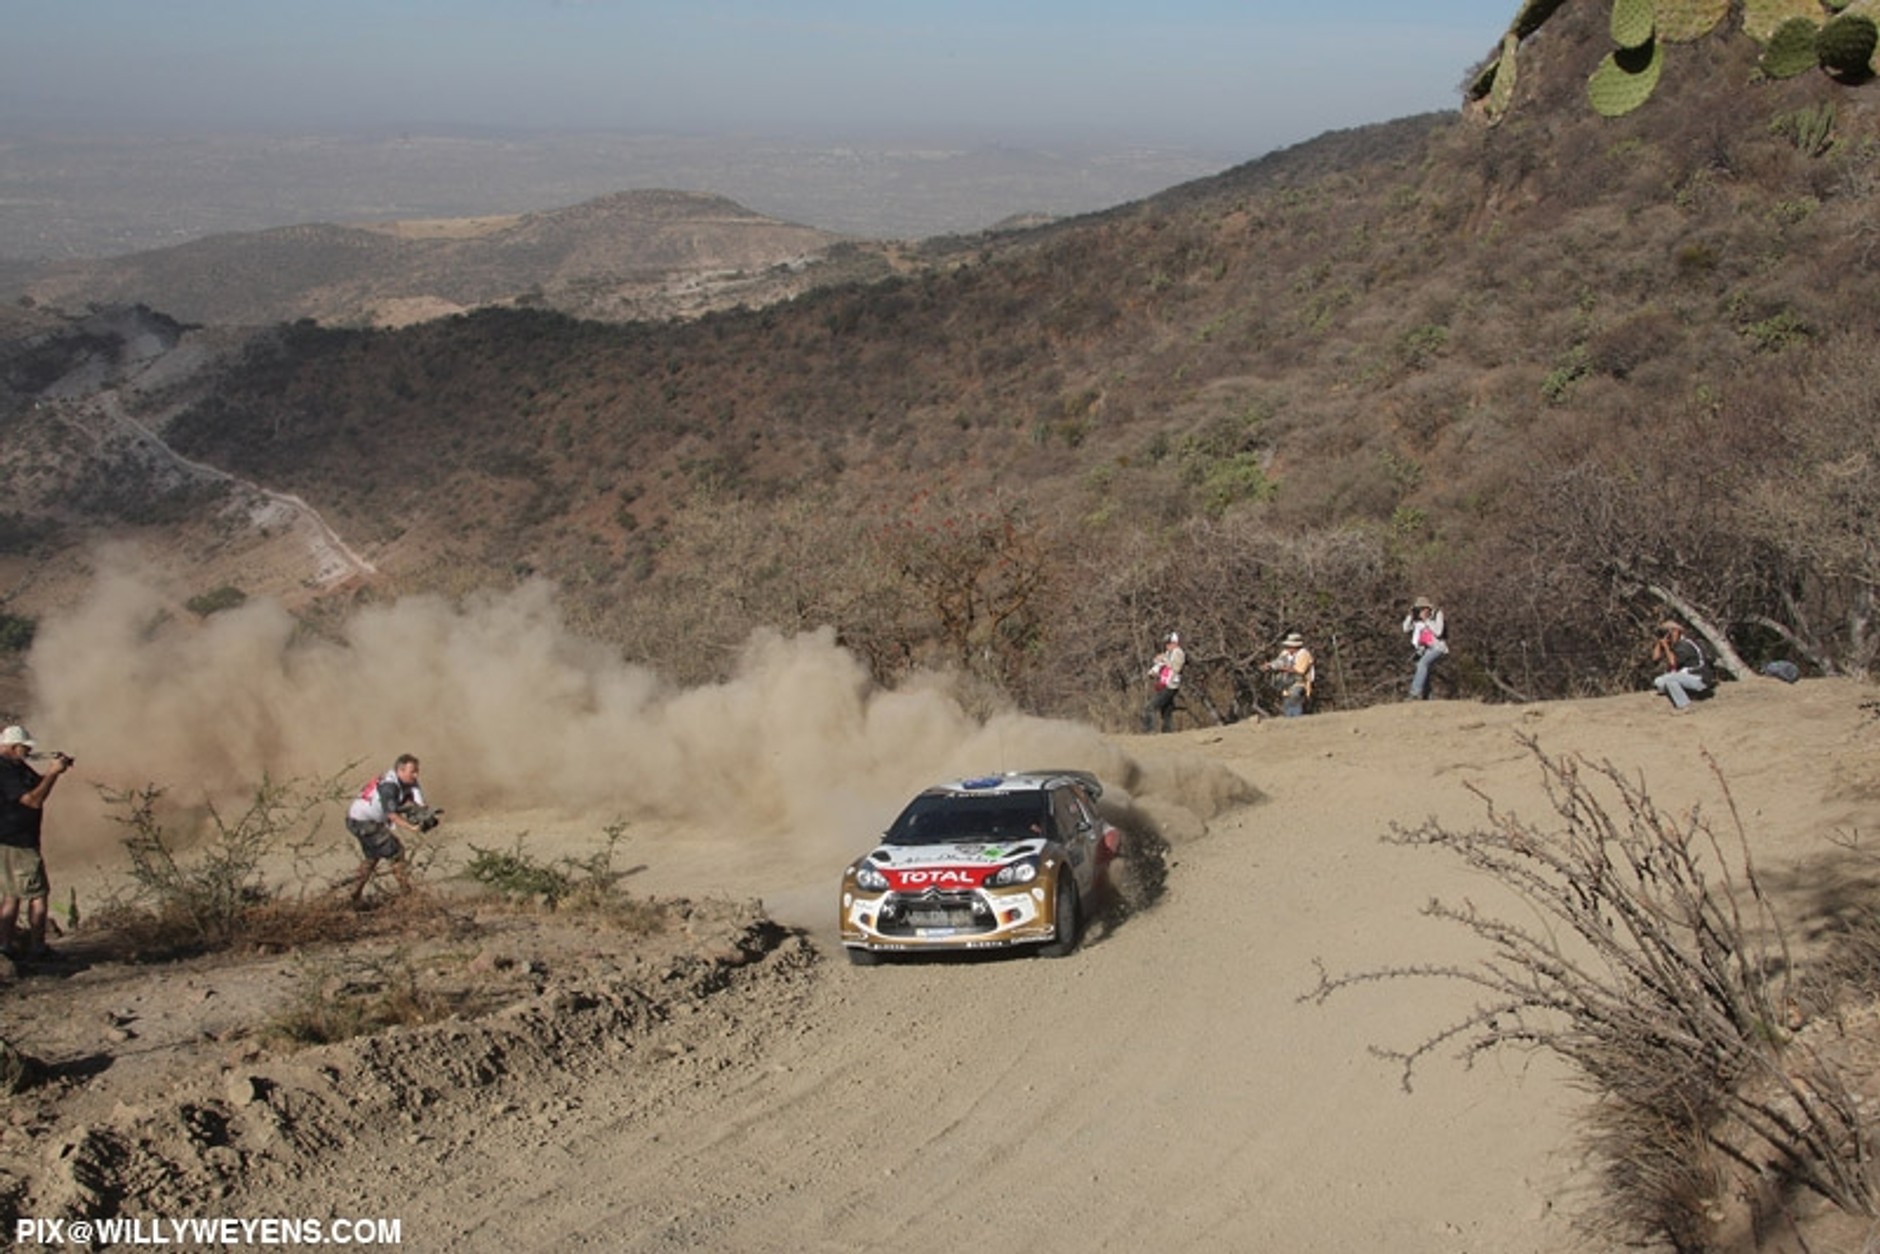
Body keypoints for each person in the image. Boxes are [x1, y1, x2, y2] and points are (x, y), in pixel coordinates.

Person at [0, 725, 68, 961]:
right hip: (18, 843)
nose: (28, 751)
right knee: (38, 895)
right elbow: (32, 800)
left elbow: (36, 785)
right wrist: (52, 774)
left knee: (11, 896)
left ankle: (6, 947)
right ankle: (37, 948)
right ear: (12, 746)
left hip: (11, 841)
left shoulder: (16, 767)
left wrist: (56, 771)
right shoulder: (5, 770)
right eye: (24, 747)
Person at [345, 753, 432, 904]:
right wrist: (412, 827)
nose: (416, 775)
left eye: (417, 771)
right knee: (396, 851)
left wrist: (425, 813)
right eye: (413, 771)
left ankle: (354, 894)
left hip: (363, 820)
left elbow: (418, 801)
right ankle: (408, 894)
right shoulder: (389, 787)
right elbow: (392, 815)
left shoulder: (408, 781)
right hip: (362, 822)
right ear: (400, 770)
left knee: (373, 857)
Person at [1650, 620, 1712, 713]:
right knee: (1667, 680)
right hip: (1690, 678)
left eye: (1668, 632)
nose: (1668, 636)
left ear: (1676, 631)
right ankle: (1682, 700)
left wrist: (1666, 647)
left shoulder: (1684, 645)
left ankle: (1684, 705)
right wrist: (1659, 643)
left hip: (1699, 679)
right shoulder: (1677, 644)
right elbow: (1655, 658)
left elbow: (1673, 663)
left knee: (1661, 681)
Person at [1401, 596, 1448, 700]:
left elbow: (1439, 631)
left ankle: (1415, 692)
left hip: (1437, 647)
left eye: (1423, 608)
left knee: (1423, 663)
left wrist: (1427, 620)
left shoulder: (1437, 614)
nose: (1421, 611)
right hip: (1423, 648)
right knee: (1421, 666)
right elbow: (1405, 629)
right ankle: (1427, 694)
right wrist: (1410, 616)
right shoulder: (1417, 618)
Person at [1142, 631, 1186, 733]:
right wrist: (1153, 671)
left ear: (1175, 643)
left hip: (1171, 686)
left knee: (1150, 707)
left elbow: (1176, 668)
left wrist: (1164, 659)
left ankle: (1149, 731)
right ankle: (1167, 732)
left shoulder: (1179, 653)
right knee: (1166, 711)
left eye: (1169, 643)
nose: (1167, 645)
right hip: (1164, 684)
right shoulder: (1168, 653)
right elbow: (1160, 665)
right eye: (1166, 643)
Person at [1266, 632, 1315, 718]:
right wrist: (1270, 666)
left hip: (1300, 683)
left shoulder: (1304, 654)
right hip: (1286, 685)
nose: (1288, 648)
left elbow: (1300, 671)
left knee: (1294, 702)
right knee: (1287, 705)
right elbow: (1278, 662)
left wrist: (1281, 668)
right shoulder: (1285, 653)